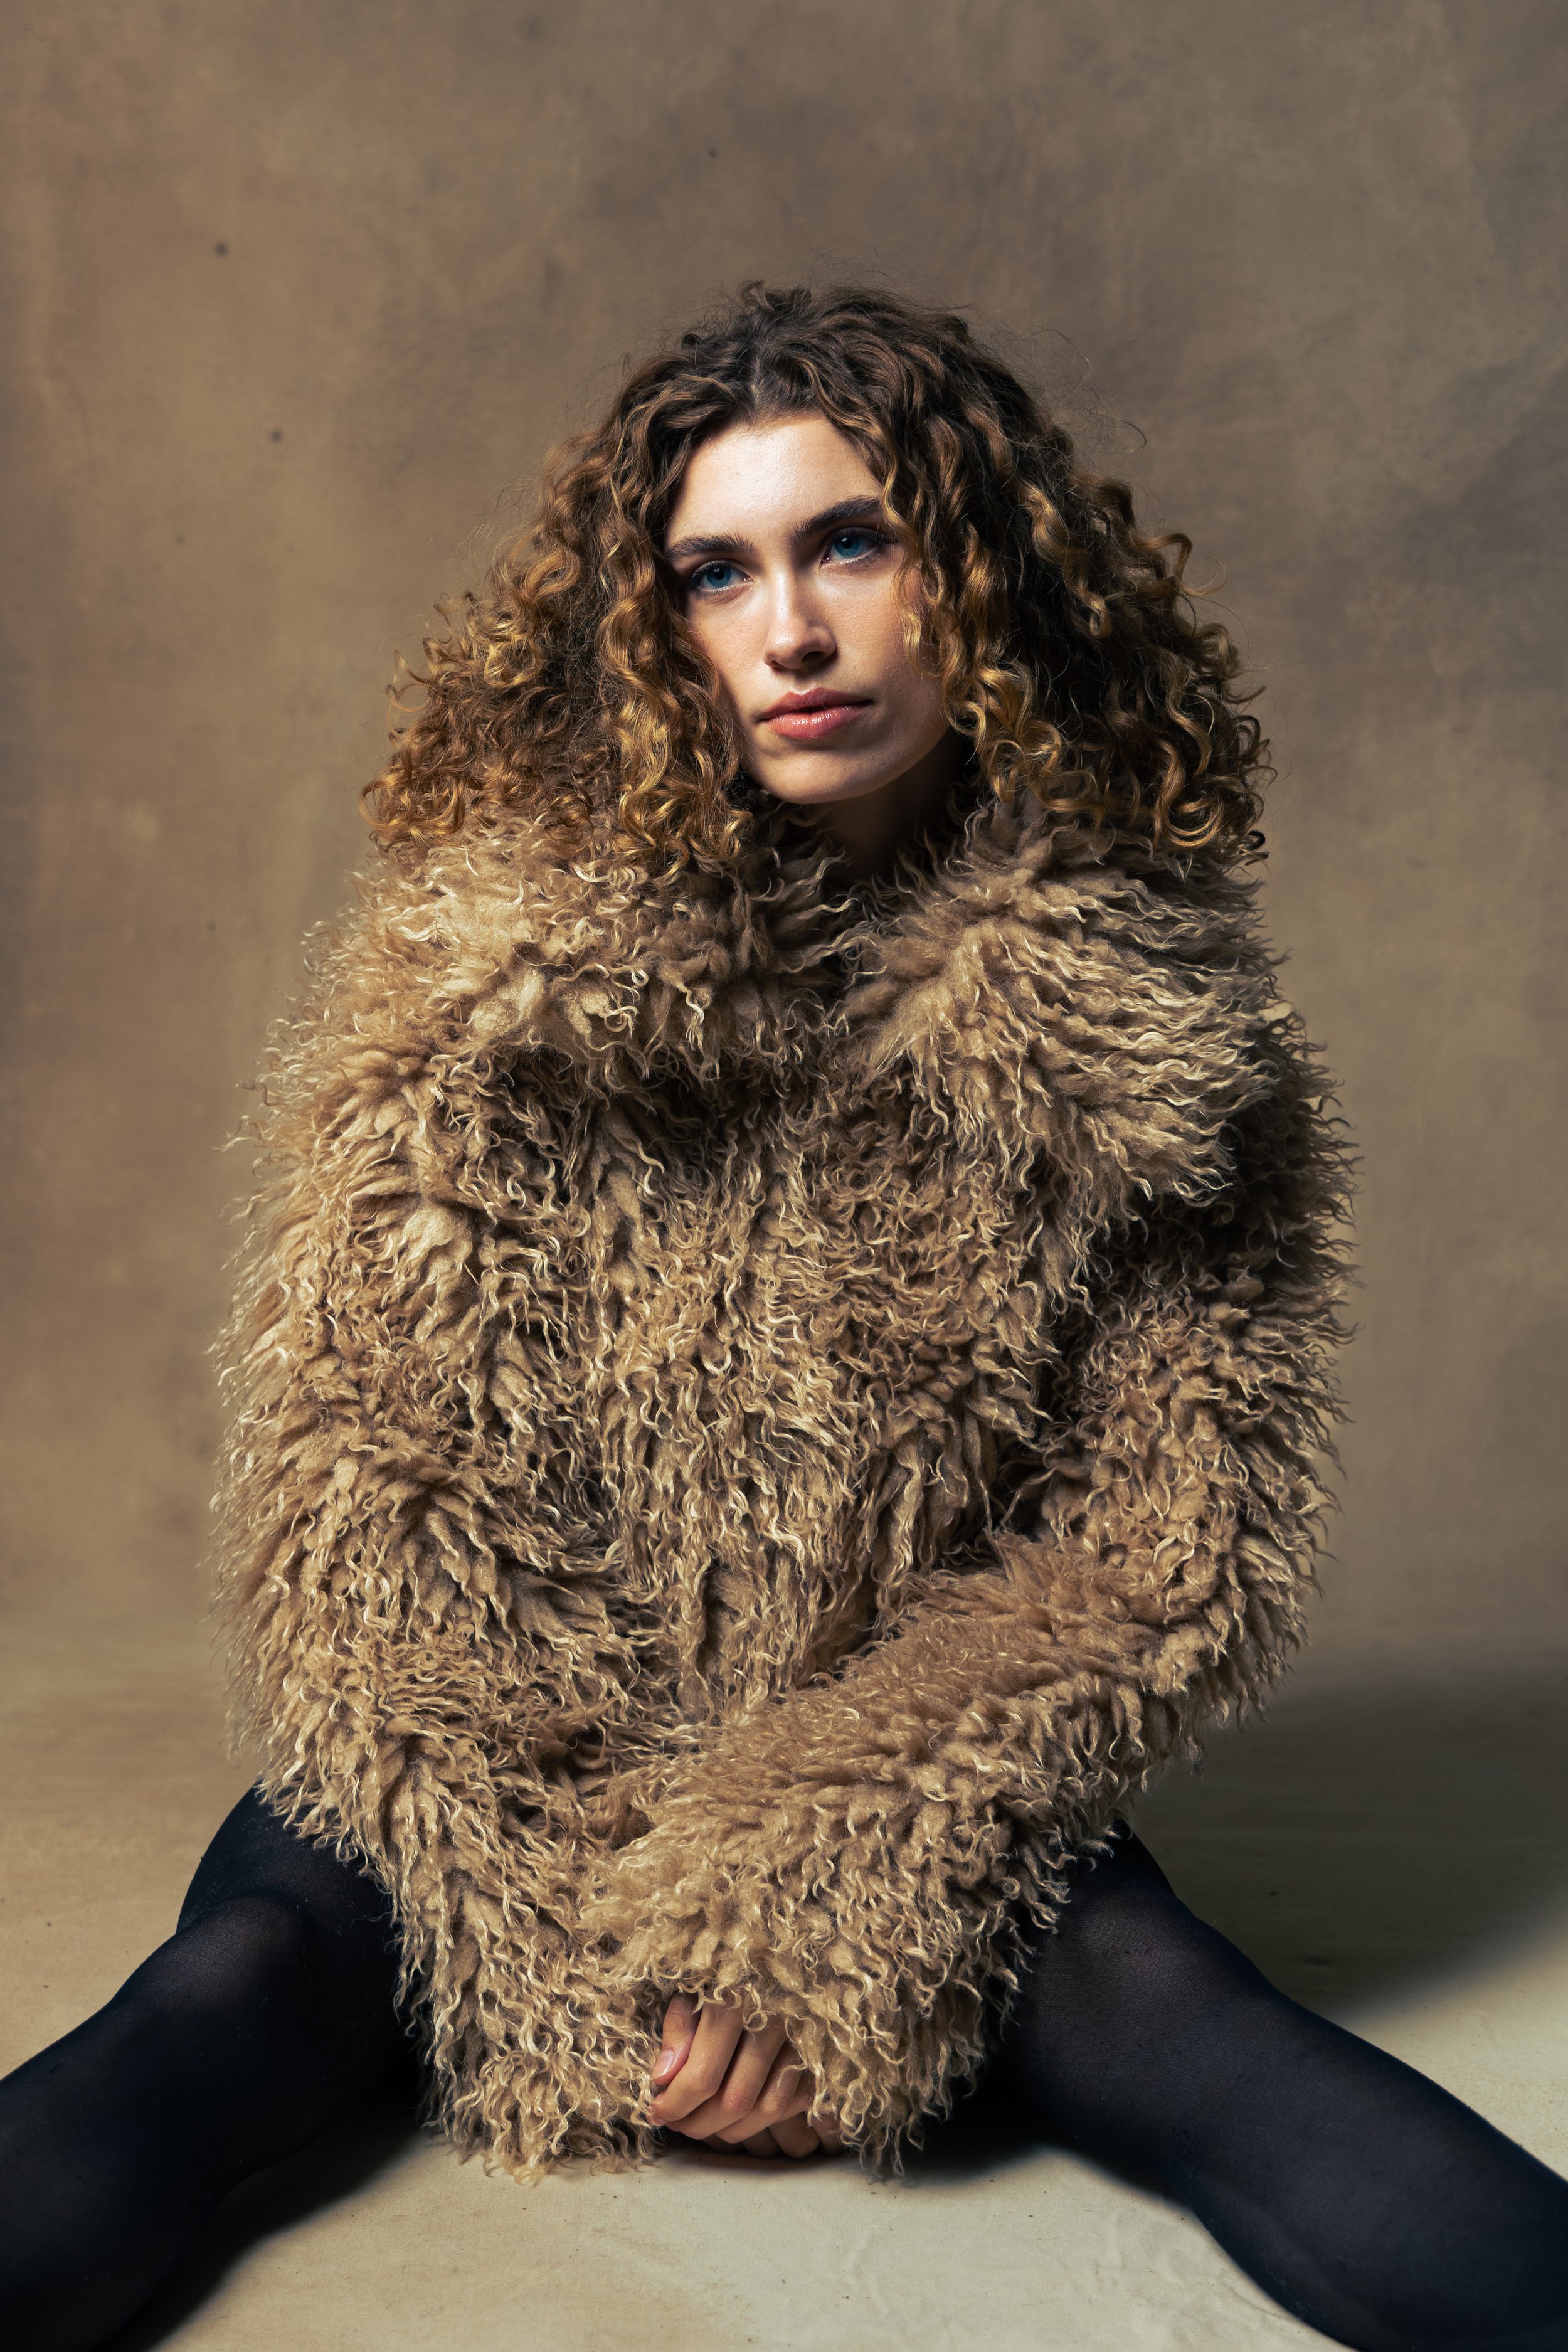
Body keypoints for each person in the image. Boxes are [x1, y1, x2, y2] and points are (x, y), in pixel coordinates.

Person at [2, 283, 1565, 2352]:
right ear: (654, 632)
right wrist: (597, 1929)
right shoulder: (482, 990)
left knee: (1179, 2014)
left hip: (908, 1778)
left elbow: (1164, 1558)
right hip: (486, 1776)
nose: (793, 634)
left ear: (981, 569)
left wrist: (824, 1895)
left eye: (850, 541)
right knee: (231, 1992)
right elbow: (374, 1517)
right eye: (715, 575)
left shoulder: (1161, 1043)